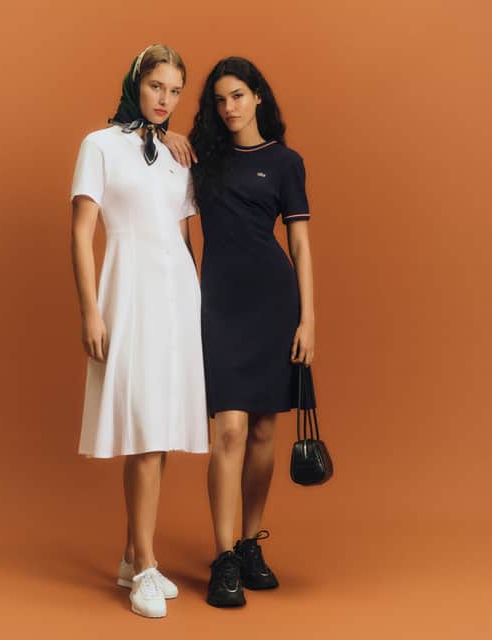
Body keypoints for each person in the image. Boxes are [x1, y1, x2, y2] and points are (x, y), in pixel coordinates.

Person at [70, 44, 208, 618]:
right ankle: (145, 568)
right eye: (156, 86)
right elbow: (82, 233)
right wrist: (90, 310)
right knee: (146, 430)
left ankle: (133, 555)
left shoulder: (178, 155)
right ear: (136, 82)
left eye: (175, 91)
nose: (165, 99)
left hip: (177, 297)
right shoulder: (99, 146)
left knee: (163, 428)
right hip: (128, 294)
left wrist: (198, 307)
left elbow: (184, 237)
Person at [189, 57, 315, 608]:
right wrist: (169, 136)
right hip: (220, 305)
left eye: (237, 95)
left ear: (258, 95)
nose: (229, 107)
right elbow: (149, 145)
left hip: (273, 303)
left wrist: (309, 319)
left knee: (263, 431)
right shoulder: (201, 159)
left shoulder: (286, 162)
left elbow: (300, 244)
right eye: (219, 99)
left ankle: (248, 544)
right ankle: (222, 558)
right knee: (230, 431)